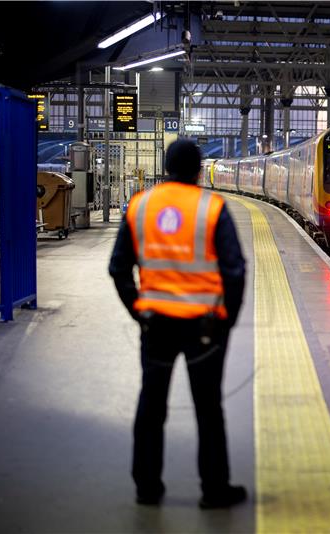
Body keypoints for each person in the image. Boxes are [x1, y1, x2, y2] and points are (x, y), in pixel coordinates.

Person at [108, 139, 247, 508]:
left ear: (166, 166)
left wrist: (138, 312)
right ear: (200, 170)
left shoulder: (140, 205)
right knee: (208, 409)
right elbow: (235, 271)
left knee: (151, 406)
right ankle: (214, 491)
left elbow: (118, 268)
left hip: (156, 325)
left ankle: (147, 488)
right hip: (204, 327)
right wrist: (226, 322)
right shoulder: (212, 206)